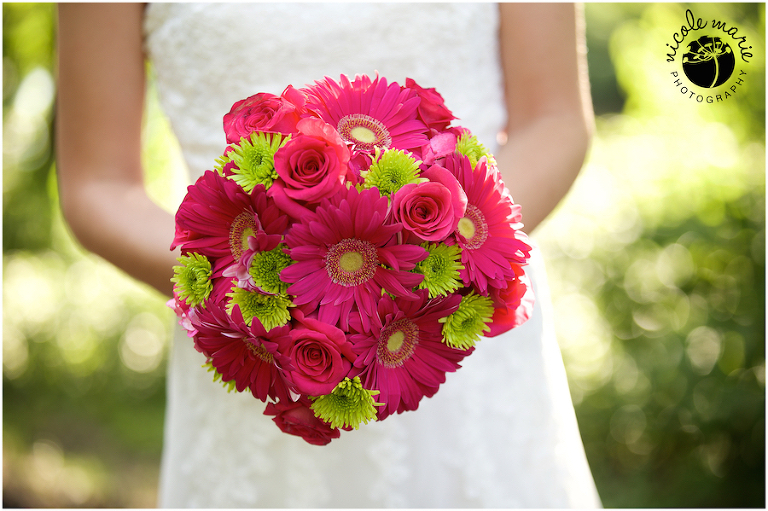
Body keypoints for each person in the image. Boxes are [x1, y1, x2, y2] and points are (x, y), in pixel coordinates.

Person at [57, 3, 599, 507]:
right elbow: (97, 186)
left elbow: (554, 120)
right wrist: (238, 290)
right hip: (255, 343)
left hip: (458, 333)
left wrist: (453, 256)